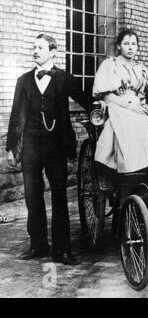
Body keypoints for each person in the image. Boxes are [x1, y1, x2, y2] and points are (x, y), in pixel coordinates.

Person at [6, 34, 90, 265]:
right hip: (31, 145)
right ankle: (38, 245)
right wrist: (11, 146)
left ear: (52, 52)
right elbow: (15, 113)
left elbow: (86, 99)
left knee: (60, 196)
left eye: (40, 47)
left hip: (56, 145)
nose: (35, 51)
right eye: (33, 47)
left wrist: (104, 107)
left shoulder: (64, 78)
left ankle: (62, 250)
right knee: (33, 197)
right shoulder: (23, 80)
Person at [93, 29, 148, 174]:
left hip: (137, 106)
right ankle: (130, 168)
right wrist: (128, 105)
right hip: (117, 105)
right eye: (126, 43)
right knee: (130, 124)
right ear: (119, 46)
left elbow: (142, 96)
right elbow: (105, 95)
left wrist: (145, 107)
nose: (130, 47)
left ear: (137, 47)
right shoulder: (110, 64)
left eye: (133, 44)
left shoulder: (140, 69)